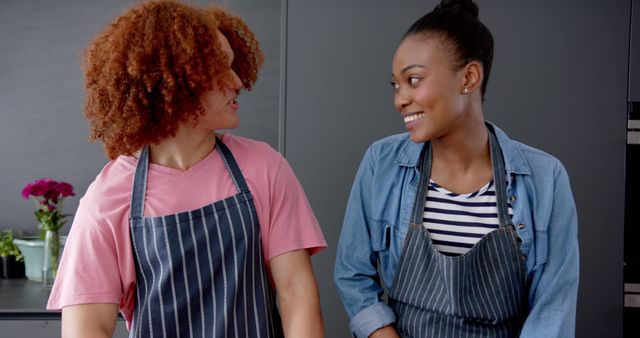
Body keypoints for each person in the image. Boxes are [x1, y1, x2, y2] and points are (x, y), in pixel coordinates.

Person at [47, 1, 327, 337]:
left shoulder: (265, 167)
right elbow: (87, 329)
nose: (238, 81)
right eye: (220, 68)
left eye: (235, 66)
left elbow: (297, 292)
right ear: (176, 79)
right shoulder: (107, 199)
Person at [334, 0, 579, 337]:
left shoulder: (545, 178)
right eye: (396, 85)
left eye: (414, 79)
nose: (399, 99)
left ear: (469, 77)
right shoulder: (382, 163)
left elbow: (553, 308)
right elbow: (352, 274)